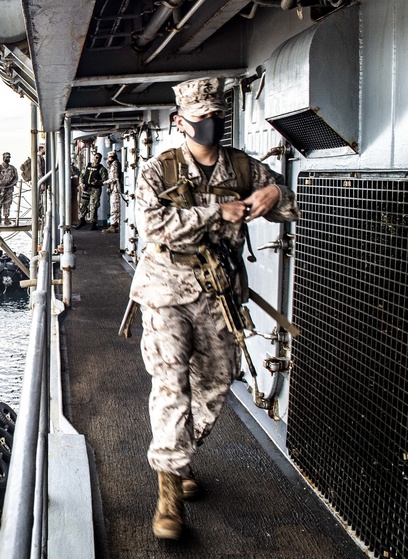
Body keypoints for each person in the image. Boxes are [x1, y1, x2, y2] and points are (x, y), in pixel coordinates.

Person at [129, 77, 300, 540]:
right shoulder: (158, 172)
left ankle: (179, 454)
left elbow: (291, 205)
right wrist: (216, 213)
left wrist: (275, 196)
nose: (211, 125)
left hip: (217, 294)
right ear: (180, 122)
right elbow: (153, 227)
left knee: (217, 383)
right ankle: (168, 495)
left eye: (217, 117)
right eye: (201, 118)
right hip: (165, 290)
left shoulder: (244, 169)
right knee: (171, 384)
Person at [77, 152, 107, 230]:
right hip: (86, 188)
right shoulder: (88, 166)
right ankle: (82, 219)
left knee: (93, 205)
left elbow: (105, 180)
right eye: (96, 157)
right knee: (83, 204)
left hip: (95, 189)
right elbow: (82, 176)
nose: (97, 159)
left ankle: (93, 223)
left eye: (99, 158)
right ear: (93, 157)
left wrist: (98, 182)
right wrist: (81, 184)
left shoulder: (101, 169)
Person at [0, 152, 18, 225]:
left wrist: (12, 183)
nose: (7, 159)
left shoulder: (12, 168)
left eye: (9, 157)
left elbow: (16, 177)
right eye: (6, 157)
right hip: (0, 189)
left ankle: (6, 219)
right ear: (3, 158)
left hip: (9, 189)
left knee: (7, 204)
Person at [102, 152, 124, 233]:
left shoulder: (115, 164)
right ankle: (115, 223)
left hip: (116, 188)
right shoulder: (112, 165)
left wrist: (104, 182)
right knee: (114, 206)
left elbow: (114, 177)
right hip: (113, 188)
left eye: (110, 157)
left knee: (115, 206)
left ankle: (114, 225)